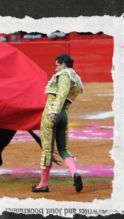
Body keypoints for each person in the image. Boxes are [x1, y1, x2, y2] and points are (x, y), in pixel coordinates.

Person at [32, 54, 84, 193]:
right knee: (63, 148)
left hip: (52, 113)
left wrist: (54, 111)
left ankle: (43, 184)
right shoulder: (77, 79)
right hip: (64, 114)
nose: (55, 69)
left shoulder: (64, 75)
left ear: (63, 64)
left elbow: (61, 94)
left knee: (47, 150)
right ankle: (75, 173)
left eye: (57, 65)